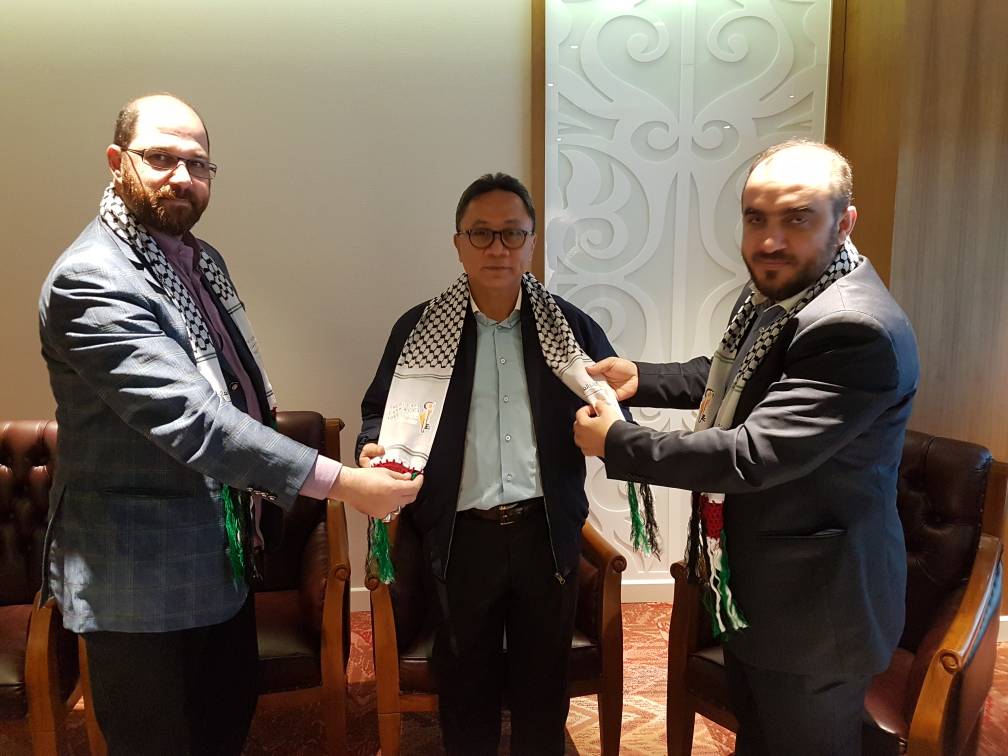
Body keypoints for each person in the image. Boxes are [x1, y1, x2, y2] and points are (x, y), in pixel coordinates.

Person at [37, 94, 421, 756]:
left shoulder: (199, 259)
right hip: (139, 583)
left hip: (222, 556)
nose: (182, 177)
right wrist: (345, 484)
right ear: (116, 162)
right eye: (160, 158)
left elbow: (239, 391)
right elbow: (195, 421)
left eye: (197, 163)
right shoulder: (92, 279)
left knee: (224, 727)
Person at [573, 140, 919, 755]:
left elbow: (749, 455)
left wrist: (617, 442)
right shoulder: (783, 293)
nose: (769, 241)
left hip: (818, 613)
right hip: (761, 589)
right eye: (756, 218)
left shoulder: (853, 327)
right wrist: (643, 378)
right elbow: (733, 377)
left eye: (797, 218)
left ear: (845, 222)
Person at [357, 173, 651, 755]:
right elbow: (377, 413)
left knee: (544, 686)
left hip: (546, 534)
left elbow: (616, 413)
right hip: (460, 537)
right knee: (465, 686)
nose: (497, 248)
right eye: (481, 233)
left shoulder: (570, 328)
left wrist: (616, 438)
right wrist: (372, 446)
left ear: (531, 243)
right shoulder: (419, 330)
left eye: (512, 233)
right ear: (458, 243)